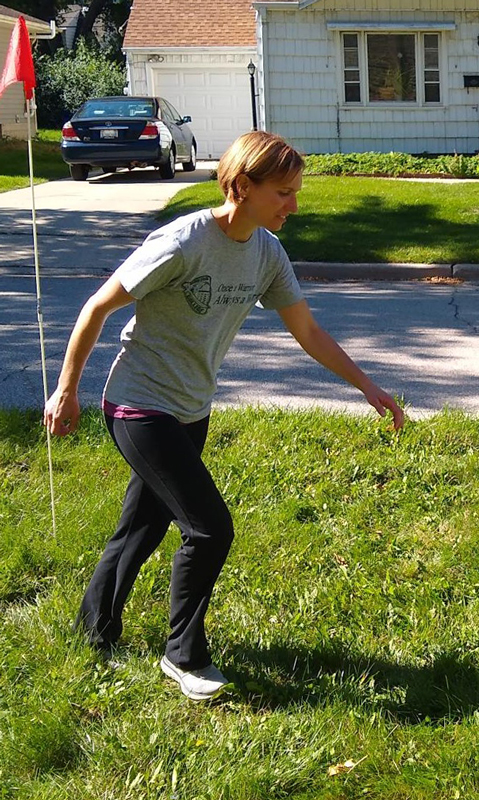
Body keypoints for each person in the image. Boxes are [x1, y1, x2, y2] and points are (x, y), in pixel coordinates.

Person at [44, 131, 404, 701]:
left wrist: (367, 386)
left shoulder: (265, 252)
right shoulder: (183, 242)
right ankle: (183, 655)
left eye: (295, 192)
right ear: (242, 186)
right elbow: (97, 307)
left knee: (143, 526)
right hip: (140, 403)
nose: (294, 204)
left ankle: (93, 633)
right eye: (283, 192)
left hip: (191, 408)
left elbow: (307, 331)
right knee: (210, 528)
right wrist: (66, 391)